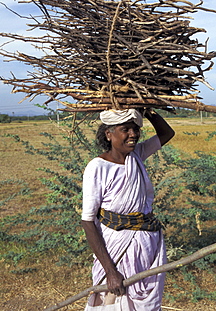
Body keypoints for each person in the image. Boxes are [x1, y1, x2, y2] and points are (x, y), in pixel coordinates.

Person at [81, 108, 175, 310]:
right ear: (109, 134)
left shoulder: (136, 155)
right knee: (114, 301)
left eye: (135, 129)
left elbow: (167, 134)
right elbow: (88, 221)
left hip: (147, 246)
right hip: (116, 248)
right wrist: (110, 271)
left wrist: (148, 109)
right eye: (125, 129)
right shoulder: (97, 167)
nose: (133, 134)